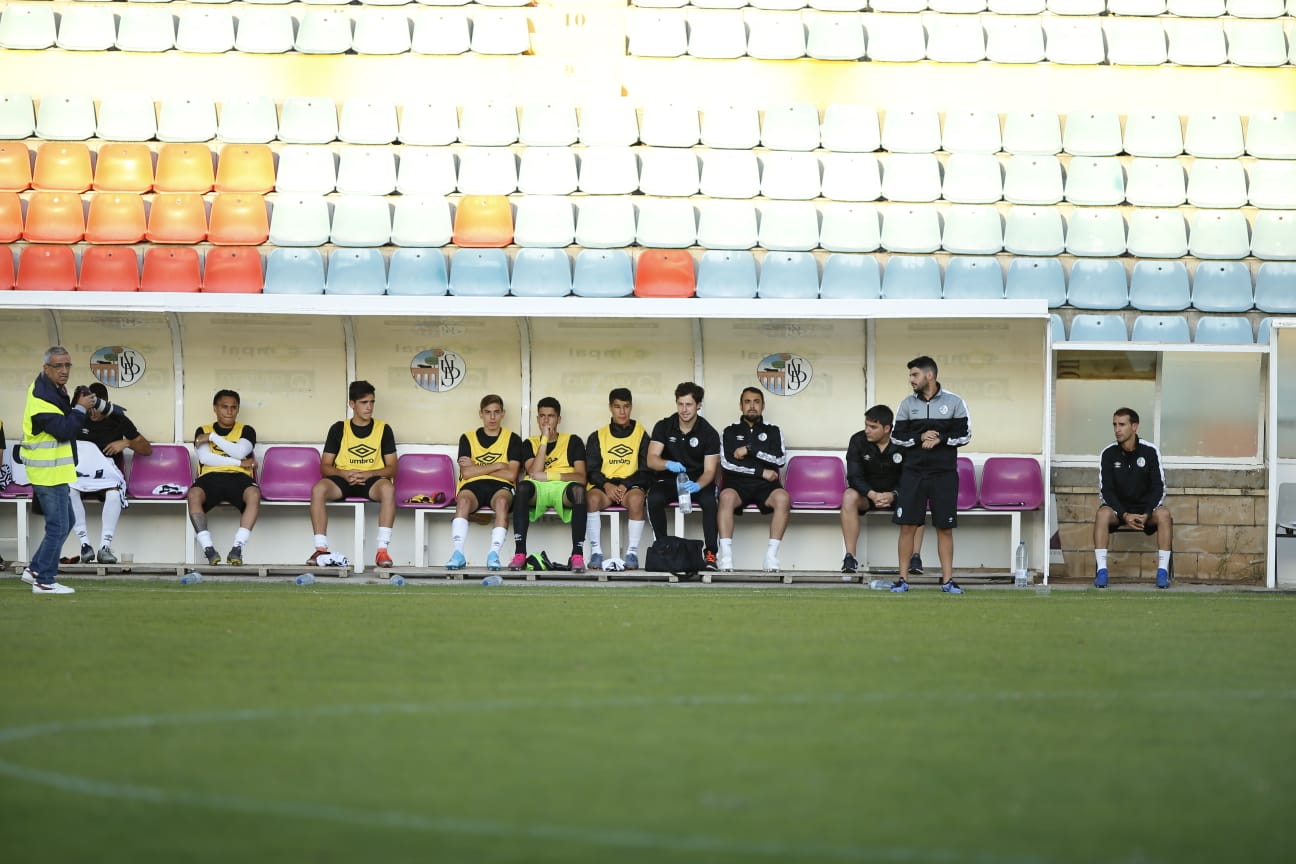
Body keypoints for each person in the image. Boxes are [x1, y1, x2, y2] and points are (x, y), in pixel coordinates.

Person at [890, 356, 971, 594]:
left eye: (914, 375)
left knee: (944, 528)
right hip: (912, 474)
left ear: (929, 375)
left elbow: (965, 435)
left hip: (943, 474)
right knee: (907, 526)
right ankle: (903, 579)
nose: (911, 380)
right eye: (910, 376)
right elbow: (897, 437)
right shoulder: (906, 404)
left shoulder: (955, 402)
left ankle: (947, 581)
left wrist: (940, 439)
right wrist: (919, 437)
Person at [19, 347, 95, 594]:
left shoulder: (50, 387)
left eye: (67, 366)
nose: (64, 371)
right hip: (47, 472)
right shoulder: (42, 396)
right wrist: (81, 408)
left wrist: (76, 404)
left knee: (67, 521)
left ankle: (34, 570)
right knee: (58, 526)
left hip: (56, 470)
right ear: (46, 368)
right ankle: (45, 580)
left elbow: (64, 421)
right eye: (58, 366)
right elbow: (64, 430)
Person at [307, 381, 398, 570]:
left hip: (371, 480)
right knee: (318, 489)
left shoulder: (383, 429)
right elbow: (325, 466)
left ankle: (382, 550)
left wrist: (369, 473)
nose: (369, 407)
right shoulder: (338, 428)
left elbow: (392, 468)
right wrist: (343, 473)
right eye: (364, 402)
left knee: (388, 489)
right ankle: (321, 549)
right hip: (343, 478)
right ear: (352, 404)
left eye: (372, 402)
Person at [69, 382, 153, 565]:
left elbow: (147, 449)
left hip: (106, 477)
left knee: (114, 494)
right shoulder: (75, 418)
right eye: (88, 407)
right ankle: (85, 546)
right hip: (79, 474)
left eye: (97, 406)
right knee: (68, 491)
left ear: (105, 403)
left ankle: (104, 547)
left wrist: (127, 443)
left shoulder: (118, 419)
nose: (92, 413)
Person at [839, 404, 926, 576]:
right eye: (866, 425)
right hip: (867, 495)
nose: (867, 430)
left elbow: (912, 476)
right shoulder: (857, 440)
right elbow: (854, 477)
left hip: (897, 496)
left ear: (887, 429)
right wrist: (872, 494)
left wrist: (893, 495)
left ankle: (915, 557)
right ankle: (850, 557)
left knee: (919, 494)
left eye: (873, 427)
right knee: (849, 496)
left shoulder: (903, 442)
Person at [1094, 407, 1173, 589]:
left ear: (1134, 426)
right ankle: (1102, 571)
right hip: (1119, 511)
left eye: (1122, 425)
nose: (1117, 429)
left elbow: (1158, 488)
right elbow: (1107, 491)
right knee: (1102, 514)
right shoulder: (1108, 453)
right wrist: (1123, 514)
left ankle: (1162, 572)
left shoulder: (1150, 451)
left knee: (1164, 515)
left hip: (1146, 511)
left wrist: (1147, 512)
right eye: (1114, 424)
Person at [445, 394, 526, 571]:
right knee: (463, 501)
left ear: (503, 413)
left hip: (501, 487)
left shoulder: (512, 439)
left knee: (502, 502)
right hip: (473, 485)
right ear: (480, 414)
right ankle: (457, 554)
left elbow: (512, 474)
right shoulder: (467, 437)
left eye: (496, 412)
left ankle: (494, 554)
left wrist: (477, 466)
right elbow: (466, 473)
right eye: (488, 412)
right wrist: (497, 465)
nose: (492, 417)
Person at [646, 382, 722, 571]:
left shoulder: (709, 433)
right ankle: (663, 547)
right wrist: (667, 464)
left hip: (697, 481)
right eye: (680, 404)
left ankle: (711, 554)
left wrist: (697, 485)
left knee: (710, 502)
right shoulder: (664, 426)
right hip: (671, 480)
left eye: (689, 404)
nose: (684, 409)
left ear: (699, 405)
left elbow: (710, 471)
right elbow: (651, 459)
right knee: (654, 497)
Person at [509, 397, 588, 573]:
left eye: (551, 416)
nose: (546, 420)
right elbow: (533, 472)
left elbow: (581, 477)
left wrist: (550, 475)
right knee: (522, 488)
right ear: (537, 419)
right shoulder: (530, 443)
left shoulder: (573, 441)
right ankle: (520, 553)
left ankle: (577, 555)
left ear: (558, 419)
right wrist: (544, 440)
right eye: (542, 416)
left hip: (562, 486)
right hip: (539, 488)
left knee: (580, 491)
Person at [717, 387, 789, 572]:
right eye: (747, 402)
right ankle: (726, 558)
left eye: (756, 401)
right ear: (741, 405)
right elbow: (728, 463)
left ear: (763, 405)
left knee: (783, 498)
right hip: (737, 485)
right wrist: (760, 471)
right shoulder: (730, 432)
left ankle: (771, 558)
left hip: (767, 486)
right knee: (725, 498)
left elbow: (780, 459)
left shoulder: (773, 431)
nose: (752, 406)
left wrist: (751, 450)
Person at [186, 389, 260, 566]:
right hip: (210, 476)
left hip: (238, 477)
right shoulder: (202, 429)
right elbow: (205, 458)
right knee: (193, 494)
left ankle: (237, 548)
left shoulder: (246, 430)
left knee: (254, 494)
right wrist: (239, 462)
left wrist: (212, 438)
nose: (229, 411)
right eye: (224, 407)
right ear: (215, 408)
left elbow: (240, 451)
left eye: (234, 407)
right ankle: (208, 549)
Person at [584, 387, 653, 570]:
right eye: (617, 407)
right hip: (606, 487)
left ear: (631, 407)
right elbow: (591, 470)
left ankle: (632, 553)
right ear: (610, 407)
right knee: (591, 498)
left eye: (626, 406)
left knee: (638, 499)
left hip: (630, 487)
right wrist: (607, 485)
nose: (622, 412)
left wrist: (625, 485)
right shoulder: (598, 436)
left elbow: (647, 469)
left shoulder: (641, 434)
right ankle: (596, 551)